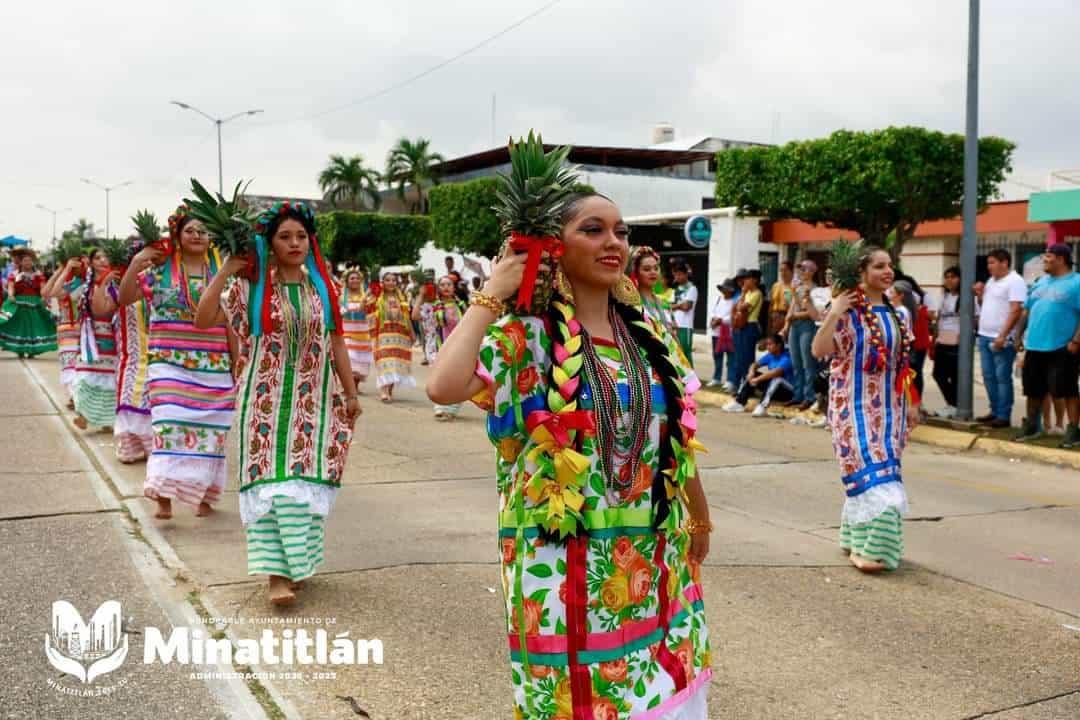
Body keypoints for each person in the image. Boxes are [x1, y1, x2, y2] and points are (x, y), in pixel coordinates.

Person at [427, 192, 713, 719]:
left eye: (621, 232)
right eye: (594, 229)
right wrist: (492, 292)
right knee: (578, 698)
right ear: (555, 248)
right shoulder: (526, 338)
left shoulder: (651, 338)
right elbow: (443, 386)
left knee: (663, 682)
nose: (613, 242)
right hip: (561, 559)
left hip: (652, 553)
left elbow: (678, 436)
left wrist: (701, 516)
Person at [195, 200, 360, 606]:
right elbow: (203, 318)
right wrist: (226, 270)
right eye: (284, 236)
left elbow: (336, 340)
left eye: (301, 236)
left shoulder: (324, 288)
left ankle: (294, 563)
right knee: (272, 488)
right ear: (269, 242)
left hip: (313, 401)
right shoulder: (249, 287)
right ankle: (276, 576)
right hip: (263, 403)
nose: (294, 242)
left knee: (304, 485)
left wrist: (350, 393)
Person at [118, 207, 236, 520]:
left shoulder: (221, 272)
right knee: (169, 427)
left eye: (203, 231)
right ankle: (163, 494)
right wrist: (135, 263)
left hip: (214, 367)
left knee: (212, 433)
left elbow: (232, 323)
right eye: (190, 230)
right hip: (168, 364)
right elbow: (125, 297)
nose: (197, 235)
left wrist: (237, 364)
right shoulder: (160, 270)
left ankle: (205, 495)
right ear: (178, 236)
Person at [812, 246, 920, 573]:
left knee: (884, 469)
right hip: (851, 405)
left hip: (891, 409)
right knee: (869, 472)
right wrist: (835, 311)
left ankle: (856, 539)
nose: (888, 271)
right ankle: (874, 552)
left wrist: (913, 403)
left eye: (890, 265)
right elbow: (819, 350)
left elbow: (905, 366)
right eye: (879, 266)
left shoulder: (899, 315)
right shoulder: (845, 311)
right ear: (861, 273)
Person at [1013, 244, 1080, 447]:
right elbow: (1026, 311)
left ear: (1060, 259)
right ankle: (1032, 426)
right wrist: (1018, 336)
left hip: (1062, 346)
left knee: (1066, 390)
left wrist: (1076, 340)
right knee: (1033, 390)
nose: (1045, 260)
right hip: (1034, 346)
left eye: (1048, 257)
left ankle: (1073, 430)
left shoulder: (1076, 282)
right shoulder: (1041, 282)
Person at [95, 243, 154, 463]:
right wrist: (104, 282)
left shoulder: (158, 281)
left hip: (159, 352)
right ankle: (132, 447)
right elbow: (100, 309)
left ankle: (154, 448)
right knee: (130, 397)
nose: (146, 263)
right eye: (141, 259)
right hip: (131, 356)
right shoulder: (120, 286)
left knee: (155, 399)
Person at [976, 249, 1026, 428]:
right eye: (988, 263)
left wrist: (1003, 335)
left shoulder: (1015, 281)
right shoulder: (991, 281)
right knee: (988, 376)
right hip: (984, 335)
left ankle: (1003, 415)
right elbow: (986, 305)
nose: (989, 267)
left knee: (1002, 377)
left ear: (1004, 263)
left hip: (1002, 338)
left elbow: (1016, 310)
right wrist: (980, 295)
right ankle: (995, 410)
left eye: (992, 262)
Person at [70, 248, 118, 432]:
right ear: (90, 262)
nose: (102, 260)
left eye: (106, 257)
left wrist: (105, 281)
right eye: (97, 258)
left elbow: (104, 311)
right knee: (84, 377)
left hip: (110, 336)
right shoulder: (85, 286)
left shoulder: (115, 285)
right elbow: (56, 292)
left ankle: (107, 419)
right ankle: (82, 414)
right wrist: (66, 270)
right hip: (89, 338)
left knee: (108, 380)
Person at [414, 275, 466, 420]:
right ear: (438, 288)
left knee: (458, 377)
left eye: (449, 284)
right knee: (442, 377)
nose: (446, 287)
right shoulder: (433, 306)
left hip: (460, 347)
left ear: (454, 287)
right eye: (442, 284)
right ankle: (441, 406)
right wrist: (421, 295)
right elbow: (415, 315)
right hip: (440, 347)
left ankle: (452, 408)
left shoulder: (461, 305)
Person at [43, 258, 85, 409]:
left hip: (83, 330)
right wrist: (61, 270)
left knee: (79, 366)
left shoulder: (86, 285)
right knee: (68, 365)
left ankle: (77, 397)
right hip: (66, 329)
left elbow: (55, 293)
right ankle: (74, 397)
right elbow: (47, 292)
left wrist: (66, 270)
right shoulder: (70, 283)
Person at [0, 248, 57, 358]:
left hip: (34, 304)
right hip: (19, 304)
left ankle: (32, 351)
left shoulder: (38, 275)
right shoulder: (15, 274)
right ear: (21, 262)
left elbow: (42, 287)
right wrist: (11, 295)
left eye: (30, 261)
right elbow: (11, 286)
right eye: (25, 261)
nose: (28, 263)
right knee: (20, 327)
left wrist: (43, 296)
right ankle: (20, 350)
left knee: (34, 327)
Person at [722, 333, 795, 417]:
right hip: (773, 390)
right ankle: (739, 403)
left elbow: (776, 372)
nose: (767, 347)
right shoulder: (770, 355)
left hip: (788, 392)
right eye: (767, 344)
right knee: (752, 374)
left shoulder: (787, 358)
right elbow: (754, 365)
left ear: (778, 346)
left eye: (770, 344)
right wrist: (751, 373)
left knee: (776, 379)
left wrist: (758, 379)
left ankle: (762, 406)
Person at [782, 259, 822, 410]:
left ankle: (809, 396)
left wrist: (794, 316)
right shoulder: (797, 287)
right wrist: (786, 325)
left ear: (812, 272)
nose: (801, 272)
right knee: (796, 362)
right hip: (794, 325)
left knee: (807, 363)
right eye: (800, 269)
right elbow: (793, 306)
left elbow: (812, 312)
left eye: (804, 269)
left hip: (807, 326)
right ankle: (797, 394)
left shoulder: (815, 289)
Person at [369, 271, 415, 403]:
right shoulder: (378, 297)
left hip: (399, 335)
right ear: (382, 282)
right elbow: (365, 307)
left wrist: (412, 333)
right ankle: (383, 390)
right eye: (388, 280)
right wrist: (370, 290)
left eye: (394, 280)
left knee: (395, 362)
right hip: (383, 334)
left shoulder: (402, 298)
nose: (391, 283)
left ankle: (389, 389)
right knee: (384, 361)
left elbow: (407, 317)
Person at [932, 267, 962, 418]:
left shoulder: (966, 298)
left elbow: (973, 320)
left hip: (956, 343)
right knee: (938, 374)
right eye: (947, 277)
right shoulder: (944, 296)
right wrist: (934, 339)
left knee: (954, 376)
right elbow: (939, 318)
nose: (949, 280)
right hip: (942, 341)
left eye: (953, 277)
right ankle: (952, 404)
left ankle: (955, 406)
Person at [340, 268, 372, 388]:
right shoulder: (341, 297)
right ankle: (348, 386)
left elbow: (370, 313)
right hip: (346, 333)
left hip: (363, 333)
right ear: (347, 281)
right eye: (352, 278)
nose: (355, 280)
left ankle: (354, 386)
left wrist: (365, 303)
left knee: (361, 362)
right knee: (349, 359)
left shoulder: (367, 296)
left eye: (358, 278)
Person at [732, 269, 764, 383]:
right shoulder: (747, 293)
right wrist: (743, 294)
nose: (745, 281)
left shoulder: (757, 293)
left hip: (750, 326)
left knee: (748, 357)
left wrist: (743, 294)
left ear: (755, 280)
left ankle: (748, 384)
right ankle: (741, 382)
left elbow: (741, 307)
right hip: (742, 325)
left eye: (747, 278)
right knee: (740, 356)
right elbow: (737, 307)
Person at [709, 279, 737, 390]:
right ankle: (717, 378)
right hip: (716, 332)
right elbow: (712, 311)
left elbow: (732, 317)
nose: (725, 291)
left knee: (731, 357)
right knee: (717, 356)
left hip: (728, 333)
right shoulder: (718, 299)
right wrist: (713, 320)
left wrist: (721, 320)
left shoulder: (734, 302)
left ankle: (730, 380)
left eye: (727, 289)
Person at [671, 260, 698, 367]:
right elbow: (669, 306)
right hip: (675, 325)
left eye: (679, 274)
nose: (677, 277)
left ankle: (691, 380)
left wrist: (675, 306)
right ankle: (681, 378)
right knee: (676, 353)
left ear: (686, 273)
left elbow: (687, 307)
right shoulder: (676, 289)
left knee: (685, 353)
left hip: (685, 326)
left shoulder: (692, 288)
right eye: (675, 274)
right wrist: (679, 305)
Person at [768, 261, 794, 335]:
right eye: (781, 270)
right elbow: (771, 303)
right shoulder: (776, 285)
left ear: (791, 271)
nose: (783, 273)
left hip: (787, 315)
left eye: (785, 270)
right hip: (775, 315)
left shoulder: (794, 286)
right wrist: (769, 320)